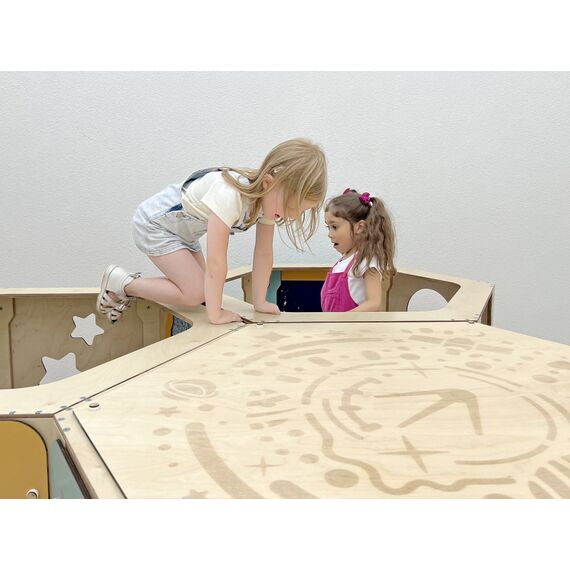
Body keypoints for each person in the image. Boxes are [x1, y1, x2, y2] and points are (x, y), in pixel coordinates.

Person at [96, 138, 327, 325]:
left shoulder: (267, 202)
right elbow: (217, 260)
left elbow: (264, 253)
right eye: (291, 207)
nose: (291, 216)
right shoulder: (230, 194)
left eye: (299, 212)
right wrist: (216, 315)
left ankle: (126, 285)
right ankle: (123, 283)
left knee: (204, 292)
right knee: (196, 293)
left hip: (184, 234)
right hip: (155, 225)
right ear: (268, 183)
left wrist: (260, 302)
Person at [321, 188, 396, 312]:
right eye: (328, 227)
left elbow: (374, 303)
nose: (330, 234)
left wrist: (342, 320)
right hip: (335, 324)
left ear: (360, 227)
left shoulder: (366, 261)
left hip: (350, 324)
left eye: (334, 227)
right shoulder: (343, 262)